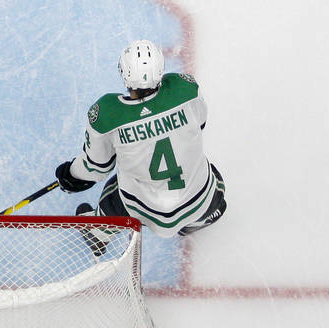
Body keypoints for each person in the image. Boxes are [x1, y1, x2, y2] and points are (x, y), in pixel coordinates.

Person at [54, 40, 225, 253]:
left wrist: (70, 174)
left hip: (144, 209)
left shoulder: (107, 113)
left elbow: (96, 169)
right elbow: (199, 123)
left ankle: (99, 232)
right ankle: (197, 221)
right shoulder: (185, 88)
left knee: (117, 186)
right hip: (198, 199)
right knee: (214, 187)